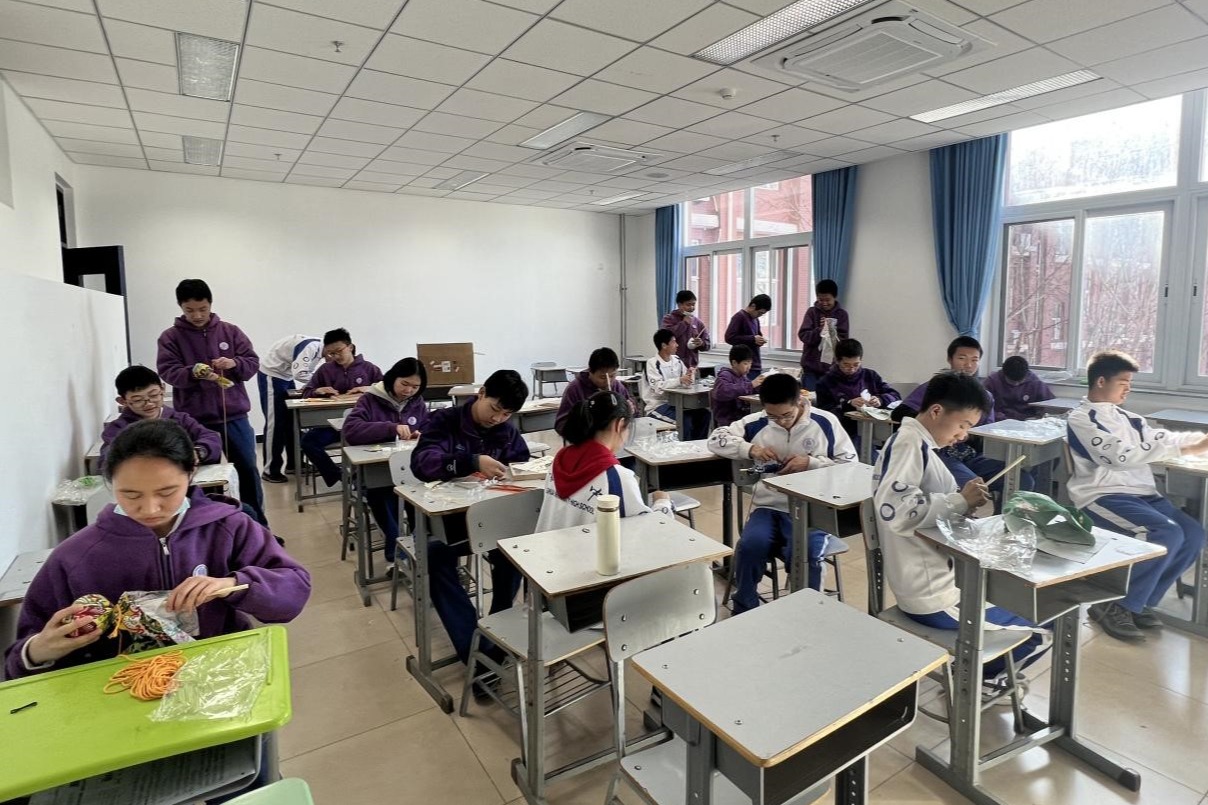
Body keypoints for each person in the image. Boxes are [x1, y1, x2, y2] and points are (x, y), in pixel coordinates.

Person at [4, 418, 311, 680]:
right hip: (117, 692)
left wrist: (232, 584)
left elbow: (293, 592)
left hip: (219, 677)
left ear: (191, 473)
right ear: (110, 483)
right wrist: (39, 650)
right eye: (131, 494)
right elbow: (17, 664)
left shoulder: (229, 527)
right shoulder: (75, 556)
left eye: (167, 492)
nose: (150, 508)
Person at [873, 372, 1049, 679]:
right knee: (1047, 623)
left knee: (1022, 594)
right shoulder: (908, 445)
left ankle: (973, 676)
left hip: (941, 581)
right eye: (963, 425)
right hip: (933, 595)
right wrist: (959, 501)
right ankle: (973, 681)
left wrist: (962, 504)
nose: (964, 435)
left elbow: (923, 507)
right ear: (936, 411)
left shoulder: (920, 446)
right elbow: (897, 510)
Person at [1068, 350, 1208, 642]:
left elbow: (1164, 438)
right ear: (1101, 381)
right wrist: (1183, 449)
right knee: (1166, 534)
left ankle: (1139, 601)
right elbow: (1117, 456)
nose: (1128, 389)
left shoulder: (1130, 419)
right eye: (1123, 382)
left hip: (1143, 494)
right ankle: (1115, 605)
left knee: (1194, 535)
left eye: (1130, 383)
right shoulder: (1081, 419)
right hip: (1103, 496)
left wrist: (1198, 441)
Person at [410, 369, 531, 665]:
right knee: (435, 557)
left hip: (492, 519)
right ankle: (475, 651)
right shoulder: (445, 421)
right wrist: (471, 461)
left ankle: (497, 639)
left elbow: (522, 464)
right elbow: (422, 464)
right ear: (481, 393)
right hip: (446, 522)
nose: (497, 418)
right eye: (494, 408)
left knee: (514, 554)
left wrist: (514, 473)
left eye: (506, 414)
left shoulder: (507, 431)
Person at [708, 373, 856, 613]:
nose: (781, 422)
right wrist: (750, 449)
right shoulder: (757, 422)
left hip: (813, 510)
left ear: (800, 401)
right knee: (750, 546)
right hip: (769, 506)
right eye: (773, 416)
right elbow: (716, 439)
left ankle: (807, 612)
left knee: (805, 553)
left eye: (786, 415)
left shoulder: (825, 422)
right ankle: (744, 607)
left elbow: (850, 464)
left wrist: (811, 463)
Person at [156, 278, 265, 524]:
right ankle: (210, 528)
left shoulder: (230, 331)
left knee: (247, 471)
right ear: (180, 307)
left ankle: (258, 527)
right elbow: (168, 372)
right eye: (190, 310)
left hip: (235, 416)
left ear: (210, 304)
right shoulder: (170, 337)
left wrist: (234, 363)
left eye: (202, 309)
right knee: (201, 477)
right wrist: (193, 372)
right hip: (194, 421)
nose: (197, 315)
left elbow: (252, 364)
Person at [897, 336, 1033, 508]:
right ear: (950, 359)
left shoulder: (984, 395)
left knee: (1023, 479)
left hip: (969, 454)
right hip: (940, 453)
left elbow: (986, 435)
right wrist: (941, 426)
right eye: (962, 358)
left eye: (974, 360)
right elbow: (900, 413)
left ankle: (999, 520)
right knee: (972, 488)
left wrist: (969, 436)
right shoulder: (939, 386)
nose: (968, 365)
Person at [537, 391, 673, 531]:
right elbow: (644, 532)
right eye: (627, 428)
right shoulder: (616, 477)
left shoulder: (558, 461)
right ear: (619, 425)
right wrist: (662, 503)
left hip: (546, 543)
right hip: (588, 545)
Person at [342, 358, 429, 566]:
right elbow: (351, 431)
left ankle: (419, 547)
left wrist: (420, 434)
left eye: (415, 386)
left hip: (408, 470)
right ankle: (396, 552)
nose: (409, 390)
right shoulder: (370, 399)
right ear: (392, 378)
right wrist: (390, 428)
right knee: (384, 496)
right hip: (375, 472)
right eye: (404, 384)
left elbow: (428, 427)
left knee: (420, 497)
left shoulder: (417, 402)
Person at [300, 328, 384, 488]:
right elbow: (306, 393)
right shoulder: (325, 370)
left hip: (362, 425)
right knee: (308, 442)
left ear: (350, 347)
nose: (335, 357)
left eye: (339, 351)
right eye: (331, 353)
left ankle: (366, 479)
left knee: (375, 441)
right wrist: (318, 390)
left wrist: (369, 388)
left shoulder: (369, 369)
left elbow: (386, 390)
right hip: (331, 426)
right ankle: (340, 476)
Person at [100, 365, 222, 471]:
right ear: (123, 401)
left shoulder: (180, 420)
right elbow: (106, 460)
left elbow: (211, 438)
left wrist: (197, 453)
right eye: (138, 400)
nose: (149, 404)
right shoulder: (118, 429)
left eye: (153, 395)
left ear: (163, 389)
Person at [257, 334, 321, 483]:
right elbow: (300, 373)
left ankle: (294, 464)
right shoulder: (311, 347)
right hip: (272, 375)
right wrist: (318, 384)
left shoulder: (319, 348)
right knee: (275, 424)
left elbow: (302, 373)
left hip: (286, 377)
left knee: (293, 422)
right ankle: (270, 470)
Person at [815, 339, 900, 441]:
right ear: (837, 361)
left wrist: (880, 400)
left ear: (861, 360)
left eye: (856, 364)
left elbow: (895, 395)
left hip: (874, 430)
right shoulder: (825, 382)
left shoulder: (870, 376)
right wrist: (848, 404)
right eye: (846, 365)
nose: (852, 369)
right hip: (843, 432)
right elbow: (824, 413)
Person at [640, 328, 710, 440]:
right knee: (685, 421)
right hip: (658, 406)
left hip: (679, 404)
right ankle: (685, 449)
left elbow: (686, 383)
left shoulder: (677, 360)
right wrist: (679, 380)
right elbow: (658, 388)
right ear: (664, 345)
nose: (677, 345)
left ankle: (697, 446)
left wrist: (690, 375)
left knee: (704, 415)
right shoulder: (652, 363)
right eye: (673, 342)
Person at [555, 347, 633, 438]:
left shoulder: (617, 386)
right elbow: (561, 425)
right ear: (590, 372)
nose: (608, 381)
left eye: (612, 376)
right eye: (602, 377)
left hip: (613, 441)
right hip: (586, 442)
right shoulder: (575, 389)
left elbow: (633, 415)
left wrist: (630, 410)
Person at [798, 279, 849, 391]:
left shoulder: (842, 315)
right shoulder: (811, 312)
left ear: (835, 297)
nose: (824, 303)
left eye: (827, 300)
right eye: (821, 300)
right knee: (809, 398)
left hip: (832, 370)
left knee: (829, 400)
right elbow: (803, 336)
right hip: (810, 368)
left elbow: (843, 343)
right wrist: (820, 330)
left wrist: (831, 331)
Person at [984, 355, 1054, 422]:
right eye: (1012, 381)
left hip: (1027, 421)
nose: (1016, 384)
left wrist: (1038, 417)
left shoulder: (1036, 383)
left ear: (1026, 375)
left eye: (1020, 381)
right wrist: (1000, 417)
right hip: (1000, 421)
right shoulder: (992, 381)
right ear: (1004, 374)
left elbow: (1049, 406)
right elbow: (983, 408)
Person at [711, 344, 764, 427]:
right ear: (734, 363)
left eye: (750, 363)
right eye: (745, 363)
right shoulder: (725, 375)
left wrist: (761, 385)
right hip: (728, 421)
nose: (749, 367)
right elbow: (723, 391)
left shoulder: (742, 377)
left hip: (740, 418)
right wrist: (751, 385)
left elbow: (751, 389)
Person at [660, 290, 710, 370]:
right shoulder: (668, 319)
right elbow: (665, 338)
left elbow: (707, 344)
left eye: (693, 304)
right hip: (672, 365)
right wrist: (684, 324)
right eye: (688, 305)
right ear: (679, 305)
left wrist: (701, 343)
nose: (692, 308)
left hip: (691, 366)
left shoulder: (698, 322)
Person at [724, 294, 771, 378]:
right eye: (760, 312)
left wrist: (760, 340)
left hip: (755, 363)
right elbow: (729, 338)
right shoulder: (739, 317)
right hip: (743, 365)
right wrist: (752, 339)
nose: (760, 315)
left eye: (762, 314)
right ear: (753, 306)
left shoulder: (756, 320)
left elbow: (756, 337)